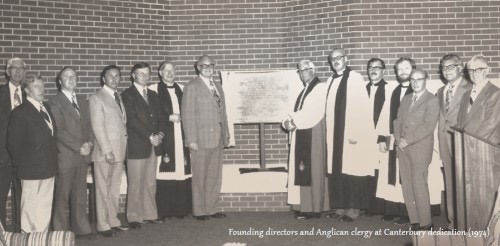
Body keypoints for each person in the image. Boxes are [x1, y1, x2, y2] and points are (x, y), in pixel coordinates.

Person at [325, 48, 376, 222]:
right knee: (337, 170)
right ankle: (339, 207)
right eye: (333, 59)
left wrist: (355, 132)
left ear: (346, 59)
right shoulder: (331, 80)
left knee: (352, 171)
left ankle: (353, 209)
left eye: (339, 57)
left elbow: (361, 107)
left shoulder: (354, 78)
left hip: (350, 133)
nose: (336, 61)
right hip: (334, 133)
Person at [181, 55, 230, 221]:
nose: (208, 68)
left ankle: (211, 208)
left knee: (214, 176)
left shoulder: (217, 86)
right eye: (204, 65)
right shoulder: (192, 86)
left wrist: (226, 134)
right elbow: (187, 114)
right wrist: (191, 139)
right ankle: (200, 210)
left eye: (211, 65)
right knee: (200, 176)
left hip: (218, 138)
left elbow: (223, 113)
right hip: (200, 139)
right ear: (198, 67)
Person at [7, 74, 58, 233]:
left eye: (42, 86)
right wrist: (24, 163)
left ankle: (40, 238)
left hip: (48, 167)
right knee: (29, 208)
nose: (42, 89)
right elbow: (12, 143)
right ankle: (27, 239)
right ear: (27, 90)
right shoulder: (20, 112)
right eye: (37, 87)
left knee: (44, 205)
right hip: (30, 169)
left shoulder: (46, 107)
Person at [48, 67, 94, 238]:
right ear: (60, 82)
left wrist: (89, 143)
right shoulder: (54, 102)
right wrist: (79, 146)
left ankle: (81, 228)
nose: (70, 79)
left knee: (80, 195)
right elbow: (59, 131)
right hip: (66, 156)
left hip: (83, 155)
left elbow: (89, 125)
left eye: (73, 76)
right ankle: (59, 231)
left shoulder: (82, 100)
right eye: (66, 77)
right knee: (62, 196)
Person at [283, 60, 329, 220]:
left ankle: (312, 208)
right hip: (302, 131)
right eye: (300, 71)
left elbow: (314, 111)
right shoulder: (304, 90)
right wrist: (286, 122)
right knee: (302, 168)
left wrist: (293, 122)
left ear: (313, 70)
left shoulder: (320, 88)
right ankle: (302, 205)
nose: (303, 73)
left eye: (305, 70)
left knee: (311, 168)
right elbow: (294, 111)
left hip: (312, 133)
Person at [394, 69, 439, 231]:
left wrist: (408, 140)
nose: (415, 82)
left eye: (419, 79)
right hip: (403, 147)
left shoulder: (432, 100)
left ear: (426, 80)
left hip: (420, 148)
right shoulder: (405, 99)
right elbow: (397, 121)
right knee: (407, 184)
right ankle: (414, 220)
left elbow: (428, 126)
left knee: (419, 184)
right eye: (413, 79)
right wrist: (399, 140)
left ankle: (426, 223)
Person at [121, 62, 165, 228]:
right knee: (136, 183)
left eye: (147, 74)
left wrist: (160, 135)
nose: (144, 77)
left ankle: (149, 214)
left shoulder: (153, 94)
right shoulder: (127, 95)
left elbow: (161, 117)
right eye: (140, 74)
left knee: (150, 182)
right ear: (133, 75)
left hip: (154, 144)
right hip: (137, 145)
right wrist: (150, 135)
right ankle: (134, 217)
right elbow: (132, 120)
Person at [149, 61, 192, 220]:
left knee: (181, 168)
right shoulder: (153, 89)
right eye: (165, 70)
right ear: (160, 73)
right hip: (164, 134)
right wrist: (168, 117)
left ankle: (180, 209)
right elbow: (151, 112)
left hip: (180, 134)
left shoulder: (182, 88)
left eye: (172, 70)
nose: (169, 73)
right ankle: (164, 211)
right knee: (164, 169)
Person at [89, 65, 128, 237]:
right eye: (110, 76)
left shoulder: (118, 96)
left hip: (119, 151)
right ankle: (102, 225)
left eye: (117, 75)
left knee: (114, 188)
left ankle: (113, 220)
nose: (114, 78)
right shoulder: (97, 98)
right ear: (103, 79)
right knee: (103, 189)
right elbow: (98, 126)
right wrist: (107, 151)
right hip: (106, 153)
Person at [436, 54, 471, 230]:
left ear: (460, 67)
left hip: (464, 145)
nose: (447, 70)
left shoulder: (470, 87)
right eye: (444, 67)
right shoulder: (441, 91)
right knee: (450, 185)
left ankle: (467, 225)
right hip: (445, 144)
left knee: (465, 187)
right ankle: (453, 223)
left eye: (451, 66)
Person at [363, 58, 398, 216]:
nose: (373, 70)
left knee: (383, 171)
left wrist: (383, 138)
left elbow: (391, 117)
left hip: (383, 137)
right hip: (365, 138)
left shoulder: (390, 89)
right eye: (371, 67)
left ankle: (385, 207)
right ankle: (371, 207)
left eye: (377, 67)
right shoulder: (363, 90)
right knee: (368, 171)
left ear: (383, 70)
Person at [0, 58, 25, 230]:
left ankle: (21, 232)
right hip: (3, 157)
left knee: (23, 198)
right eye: (14, 68)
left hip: (25, 157)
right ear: (7, 72)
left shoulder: (29, 93)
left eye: (21, 68)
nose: (17, 71)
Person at [457, 54, 500, 144]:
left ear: (487, 70)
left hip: (484, 146)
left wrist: (471, 142)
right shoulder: (465, 95)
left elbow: (490, 124)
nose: (474, 73)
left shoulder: (495, 93)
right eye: (471, 70)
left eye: (479, 69)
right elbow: (460, 121)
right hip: (465, 145)